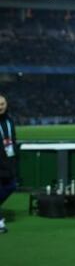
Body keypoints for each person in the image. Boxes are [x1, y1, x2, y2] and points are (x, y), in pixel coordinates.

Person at [0, 94, 18, 234]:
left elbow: (13, 141)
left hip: (8, 163)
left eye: (3, 103)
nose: (1, 106)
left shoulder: (10, 122)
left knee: (12, 186)